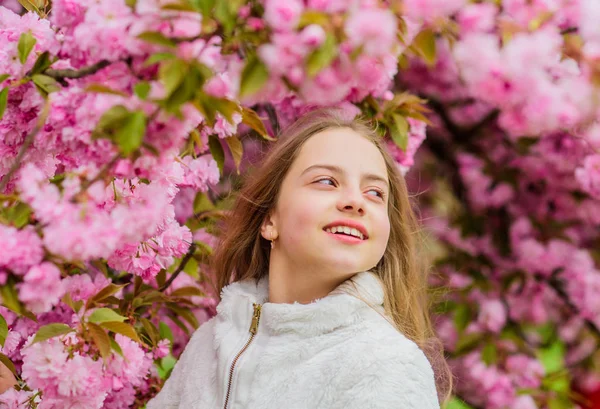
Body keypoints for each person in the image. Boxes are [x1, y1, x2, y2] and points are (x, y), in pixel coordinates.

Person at [146, 108, 452, 409]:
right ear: (269, 220)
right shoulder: (208, 345)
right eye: (327, 181)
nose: (356, 202)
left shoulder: (386, 364)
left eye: (375, 193)